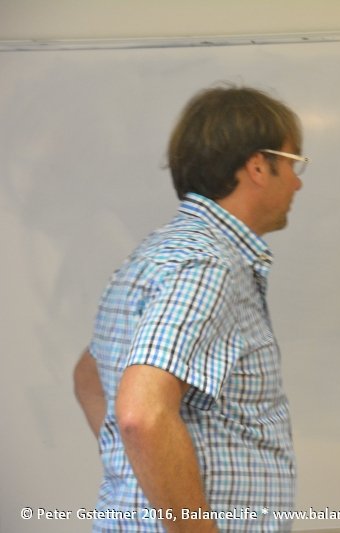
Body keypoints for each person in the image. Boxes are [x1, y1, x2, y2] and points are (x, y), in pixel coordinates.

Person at [72, 84, 307, 532]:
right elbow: (142, 413)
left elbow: (89, 378)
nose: (297, 182)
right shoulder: (207, 265)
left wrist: (136, 469)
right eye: (293, 163)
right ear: (259, 166)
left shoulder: (163, 252)